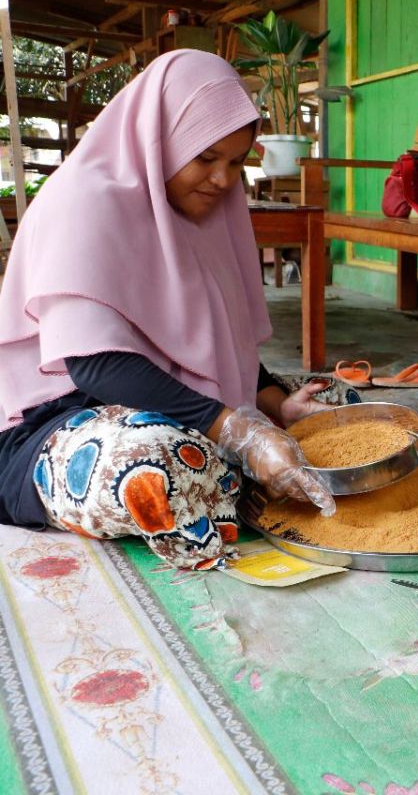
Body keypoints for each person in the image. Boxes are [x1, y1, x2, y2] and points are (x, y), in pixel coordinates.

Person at [0, 50, 335, 570]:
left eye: (235, 162)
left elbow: (212, 334)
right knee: (161, 460)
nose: (223, 180)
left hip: (157, 400)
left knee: (337, 403)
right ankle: (212, 486)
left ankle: (223, 482)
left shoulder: (203, 214)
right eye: (205, 157)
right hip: (58, 420)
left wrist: (275, 404)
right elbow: (95, 364)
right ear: (161, 138)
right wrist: (237, 430)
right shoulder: (83, 202)